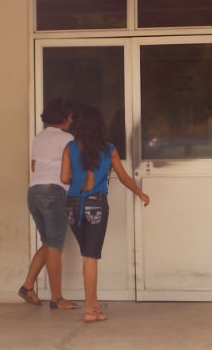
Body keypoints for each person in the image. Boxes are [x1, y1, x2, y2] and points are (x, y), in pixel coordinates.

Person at [60, 107, 150, 323]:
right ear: (100, 126)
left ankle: (95, 305)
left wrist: (77, 177)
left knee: (86, 256)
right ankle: (90, 311)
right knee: (91, 258)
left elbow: (63, 178)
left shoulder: (69, 147)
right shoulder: (109, 149)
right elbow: (124, 177)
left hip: (72, 205)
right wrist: (140, 193)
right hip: (96, 206)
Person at [18, 99, 79, 310]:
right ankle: (57, 298)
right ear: (63, 118)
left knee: (47, 243)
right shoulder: (67, 138)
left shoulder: (39, 137)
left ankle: (27, 287)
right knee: (55, 247)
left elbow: (35, 165)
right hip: (54, 192)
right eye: (70, 117)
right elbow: (71, 168)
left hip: (34, 192)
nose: (71, 121)